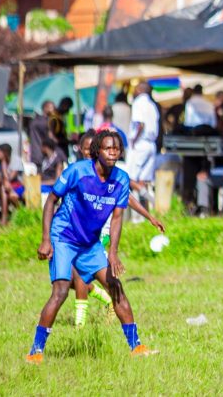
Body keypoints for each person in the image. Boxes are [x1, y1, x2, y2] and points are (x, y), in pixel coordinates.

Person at [26, 130, 158, 362]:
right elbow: (51, 201)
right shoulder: (77, 172)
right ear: (97, 151)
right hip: (64, 237)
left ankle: (136, 347)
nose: (113, 152)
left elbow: (117, 219)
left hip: (90, 243)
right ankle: (35, 352)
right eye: (108, 148)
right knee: (61, 292)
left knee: (115, 287)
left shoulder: (121, 179)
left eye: (116, 148)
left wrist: (113, 254)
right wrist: (46, 239)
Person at [70, 131, 164, 328]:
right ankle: (106, 300)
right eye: (86, 150)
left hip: (100, 232)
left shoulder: (112, 173)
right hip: (77, 233)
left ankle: (79, 326)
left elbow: (128, 196)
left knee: (79, 275)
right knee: (70, 278)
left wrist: (149, 217)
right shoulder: (79, 172)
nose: (89, 153)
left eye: (91, 150)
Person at [127, 82, 160, 212]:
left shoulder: (138, 103)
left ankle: (149, 205)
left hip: (140, 143)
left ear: (140, 90)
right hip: (152, 144)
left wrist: (134, 141)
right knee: (143, 181)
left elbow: (140, 124)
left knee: (130, 179)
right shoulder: (152, 105)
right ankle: (147, 211)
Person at [0, 144, 22, 226]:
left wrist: (3, 164)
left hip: (17, 187)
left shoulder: (16, 160)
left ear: (5, 153)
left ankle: (4, 218)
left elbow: (10, 178)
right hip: (4, 185)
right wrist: (1, 180)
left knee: (3, 187)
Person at [29, 101, 55, 171]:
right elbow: (50, 137)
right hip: (41, 154)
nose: (54, 110)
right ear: (45, 108)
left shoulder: (36, 120)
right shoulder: (43, 122)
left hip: (36, 154)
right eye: (52, 108)